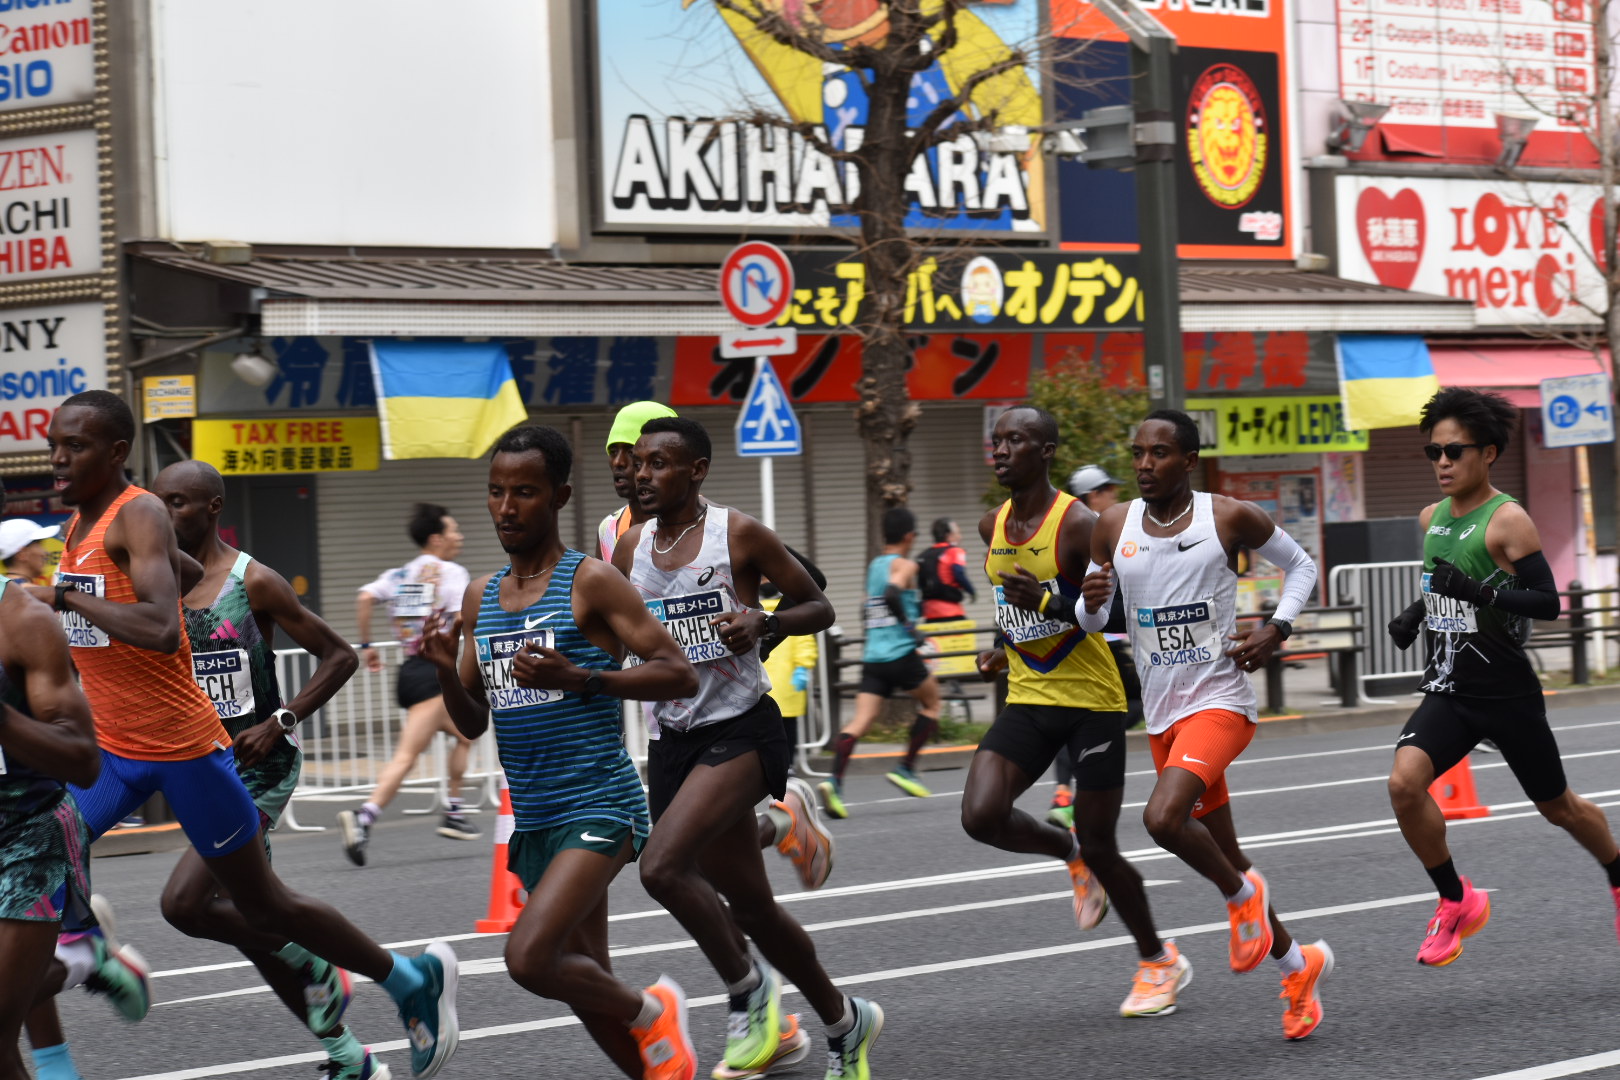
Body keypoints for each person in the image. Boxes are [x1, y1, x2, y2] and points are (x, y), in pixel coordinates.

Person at [32, 390, 460, 1079]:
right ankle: (93, 955)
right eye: (53, 443)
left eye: (73, 446)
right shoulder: (79, 528)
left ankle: (408, 979)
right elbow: (192, 576)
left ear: (116, 454)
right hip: (118, 749)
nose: (56, 457)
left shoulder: (133, 512)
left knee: (261, 902)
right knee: (46, 840)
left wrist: (64, 598)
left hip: (188, 753)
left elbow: (163, 626)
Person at [419, 424, 712, 1080]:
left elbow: (676, 671)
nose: (506, 507)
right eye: (496, 492)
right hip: (537, 817)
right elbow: (471, 722)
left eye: (524, 492)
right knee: (582, 983)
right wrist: (445, 668)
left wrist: (581, 678)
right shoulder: (480, 597)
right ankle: (659, 1068)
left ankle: (653, 1007)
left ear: (559, 497)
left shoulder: (592, 581)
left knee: (529, 958)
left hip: (599, 802)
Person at [612, 417, 882, 1080]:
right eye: (639, 464)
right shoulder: (629, 551)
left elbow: (817, 605)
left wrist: (768, 621)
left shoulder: (738, 534)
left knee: (662, 867)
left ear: (696, 470)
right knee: (754, 905)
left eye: (659, 464)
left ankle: (747, 988)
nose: (643, 475)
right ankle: (847, 1022)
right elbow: (610, 641)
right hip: (672, 739)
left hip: (741, 727)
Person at [1079, 409, 1331, 1041]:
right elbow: (1095, 622)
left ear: (1188, 460)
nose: (1143, 464)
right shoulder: (1113, 524)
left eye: (1158, 453)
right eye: (1137, 452)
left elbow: (1302, 567)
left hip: (1220, 703)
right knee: (1230, 856)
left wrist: (1278, 627)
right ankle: (1300, 969)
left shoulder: (1228, 517)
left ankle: (1240, 899)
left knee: (1163, 820)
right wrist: (1088, 604)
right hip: (1162, 713)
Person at [147, 461, 385, 1080]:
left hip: (257, 769)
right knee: (255, 919)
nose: (167, 513)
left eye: (179, 502)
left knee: (187, 901)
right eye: (159, 501)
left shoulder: (254, 582)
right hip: (198, 769)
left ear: (212, 507)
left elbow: (340, 656)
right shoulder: (155, 588)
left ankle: (318, 963)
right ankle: (346, 1056)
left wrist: (279, 719)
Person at [963, 406, 1188, 1018]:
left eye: (1016, 440)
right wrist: (1000, 644)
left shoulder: (1079, 525)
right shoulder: (992, 525)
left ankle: (1158, 960)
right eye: (997, 440)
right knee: (980, 816)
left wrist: (1048, 599)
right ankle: (1068, 854)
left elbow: (1115, 615)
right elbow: (1009, 605)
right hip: (1030, 698)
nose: (1002, 450)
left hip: (1091, 703)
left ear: (1048, 451)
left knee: (1105, 842)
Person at [1384, 389, 1620, 964]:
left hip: (1506, 693)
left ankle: (1618, 874)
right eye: (1432, 452)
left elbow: (1547, 602)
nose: (1442, 462)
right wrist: (1416, 615)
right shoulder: (1431, 518)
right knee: (1403, 784)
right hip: (1451, 688)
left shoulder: (1507, 519)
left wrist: (1482, 591)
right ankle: (1455, 898)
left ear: (1487, 453)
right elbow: (1446, 580)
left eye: (1454, 451)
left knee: (1558, 807)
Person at [0, 542, 148, 1080]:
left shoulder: (23, 621)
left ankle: (83, 957)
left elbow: (85, 760)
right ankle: (83, 960)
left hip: (27, 836)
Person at [341, 503, 477, 864]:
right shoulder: (452, 572)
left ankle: (454, 810)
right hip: (434, 670)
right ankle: (363, 817)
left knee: (467, 734)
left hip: (412, 669)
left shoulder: (399, 575)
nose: (458, 536)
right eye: (453, 530)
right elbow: (465, 612)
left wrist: (368, 646)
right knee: (407, 754)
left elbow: (365, 597)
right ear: (436, 538)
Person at [818, 507, 942, 818]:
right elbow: (891, 593)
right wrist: (911, 630)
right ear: (910, 536)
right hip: (901, 654)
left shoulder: (875, 565)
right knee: (932, 704)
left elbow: (866, 605)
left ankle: (834, 783)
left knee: (860, 722)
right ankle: (906, 768)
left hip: (873, 657)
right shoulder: (906, 564)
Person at [1049, 465, 1143, 827]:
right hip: (1102, 639)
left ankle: (1062, 793)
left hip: (1075, 636)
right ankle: (1079, 785)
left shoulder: (1066, 533)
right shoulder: (1100, 532)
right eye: (1107, 490)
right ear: (1091, 497)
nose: (1114, 495)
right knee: (1129, 704)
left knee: (1072, 714)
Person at [598, 401, 678, 562]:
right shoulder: (609, 529)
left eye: (630, 451)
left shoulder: (713, 528)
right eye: (613, 451)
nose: (617, 462)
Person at [917, 517, 975, 622]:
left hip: (929, 615)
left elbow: (920, 583)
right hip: (951, 612)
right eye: (958, 533)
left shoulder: (923, 556)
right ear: (948, 535)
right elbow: (959, 572)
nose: (960, 537)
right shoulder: (954, 551)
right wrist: (971, 591)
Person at [0, 519, 56, 585]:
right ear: (22, 554)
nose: (46, 553)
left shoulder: (5, 587)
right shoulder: (29, 592)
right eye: (39, 545)